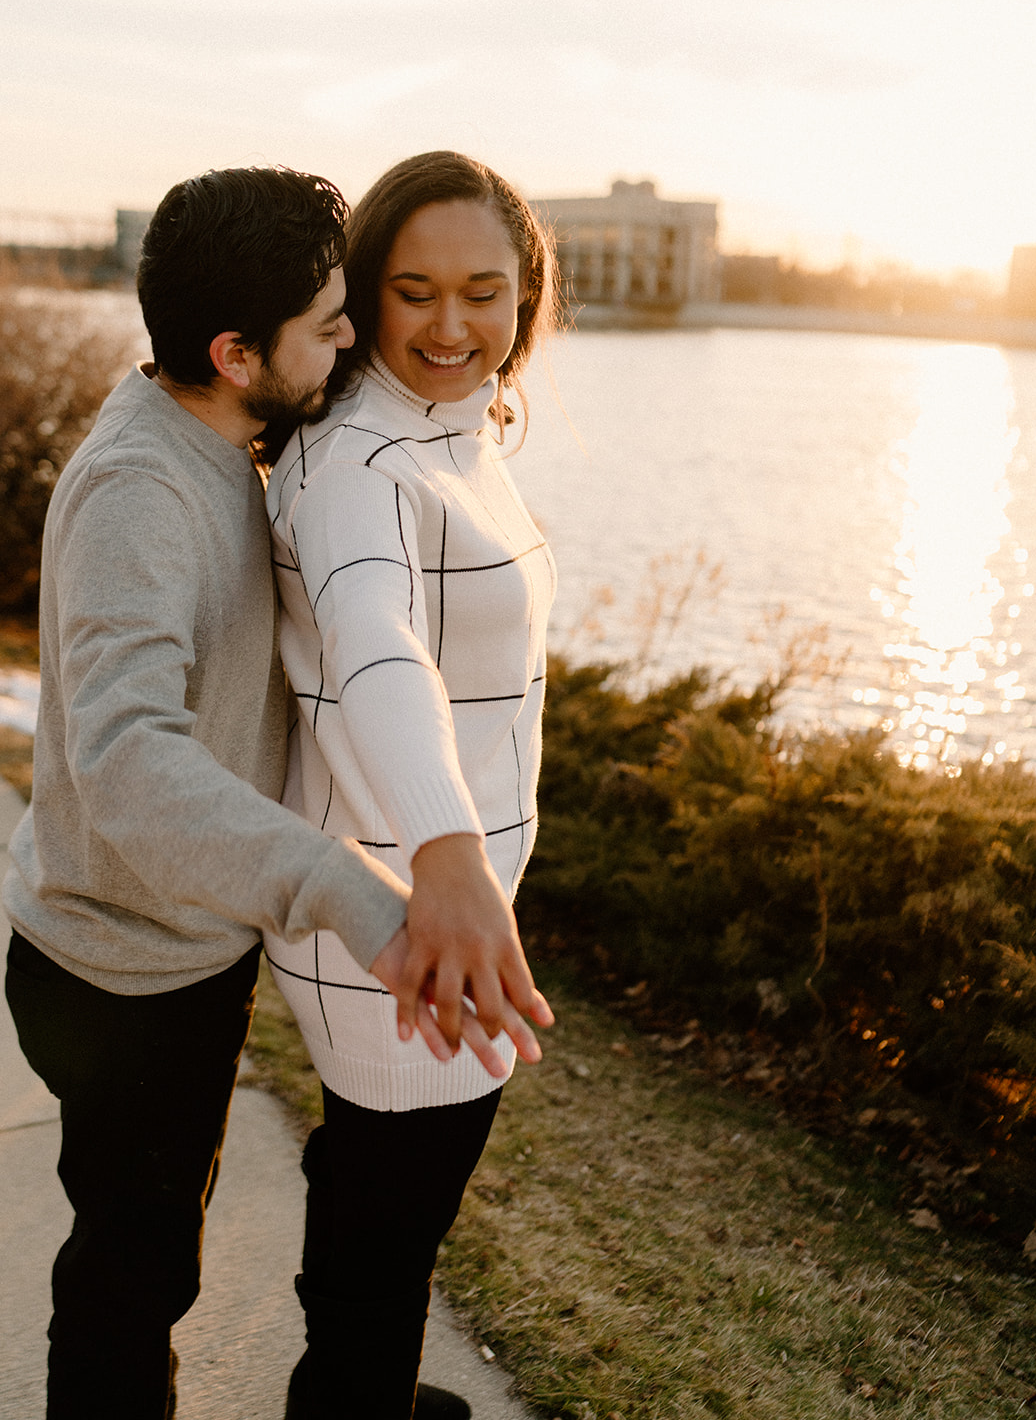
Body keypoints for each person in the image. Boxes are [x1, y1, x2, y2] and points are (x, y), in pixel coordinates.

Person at [2, 165, 551, 1420]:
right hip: (122, 968)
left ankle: (359, 1381)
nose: (354, 341)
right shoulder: (143, 493)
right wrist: (351, 887)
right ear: (236, 353)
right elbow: (131, 763)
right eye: (332, 323)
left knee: (148, 1249)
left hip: (171, 944)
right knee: (134, 1275)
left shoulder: (210, 433)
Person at [261, 150, 559, 1420]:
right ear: (365, 290)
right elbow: (378, 649)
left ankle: (352, 1374)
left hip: (432, 897)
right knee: (397, 1217)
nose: (450, 326)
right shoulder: (364, 466)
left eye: (482, 293)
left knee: (380, 1201)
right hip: (405, 919)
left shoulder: (448, 431)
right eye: (414, 291)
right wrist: (449, 857)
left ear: (524, 292)